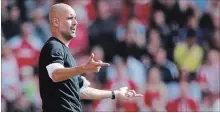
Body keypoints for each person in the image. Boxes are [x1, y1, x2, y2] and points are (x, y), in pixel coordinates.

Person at [38, 3, 143, 112]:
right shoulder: (53, 47)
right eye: (70, 19)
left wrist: (113, 94)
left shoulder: (66, 52)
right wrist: (82, 68)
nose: (75, 22)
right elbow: (56, 74)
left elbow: (82, 91)